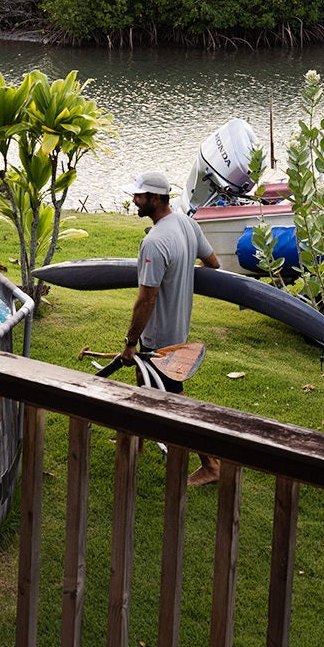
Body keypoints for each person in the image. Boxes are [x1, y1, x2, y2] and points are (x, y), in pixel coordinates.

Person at [117, 171, 222, 483]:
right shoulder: (187, 224)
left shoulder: (155, 242)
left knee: (178, 405)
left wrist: (130, 341)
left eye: (139, 196)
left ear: (155, 199)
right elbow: (212, 263)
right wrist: (181, 279)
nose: (134, 200)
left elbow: (145, 301)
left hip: (160, 336)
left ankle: (211, 466)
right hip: (179, 328)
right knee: (142, 377)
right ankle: (137, 438)